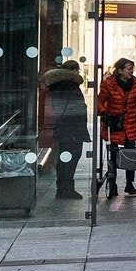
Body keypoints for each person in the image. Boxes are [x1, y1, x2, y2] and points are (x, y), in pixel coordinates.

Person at [97, 57, 136, 198]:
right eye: (129, 69)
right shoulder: (108, 84)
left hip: (130, 124)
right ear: (120, 70)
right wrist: (104, 113)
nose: (131, 71)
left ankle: (129, 184)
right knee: (112, 155)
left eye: (132, 69)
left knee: (130, 155)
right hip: (114, 124)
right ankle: (112, 184)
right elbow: (100, 101)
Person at [40, 60, 88, 199]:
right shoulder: (69, 85)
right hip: (72, 127)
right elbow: (73, 108)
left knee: (65, 158)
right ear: (73, 71)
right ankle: (65, 189)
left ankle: (63, 188)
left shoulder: (58, 85)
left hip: (65, 127)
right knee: (71, 158)